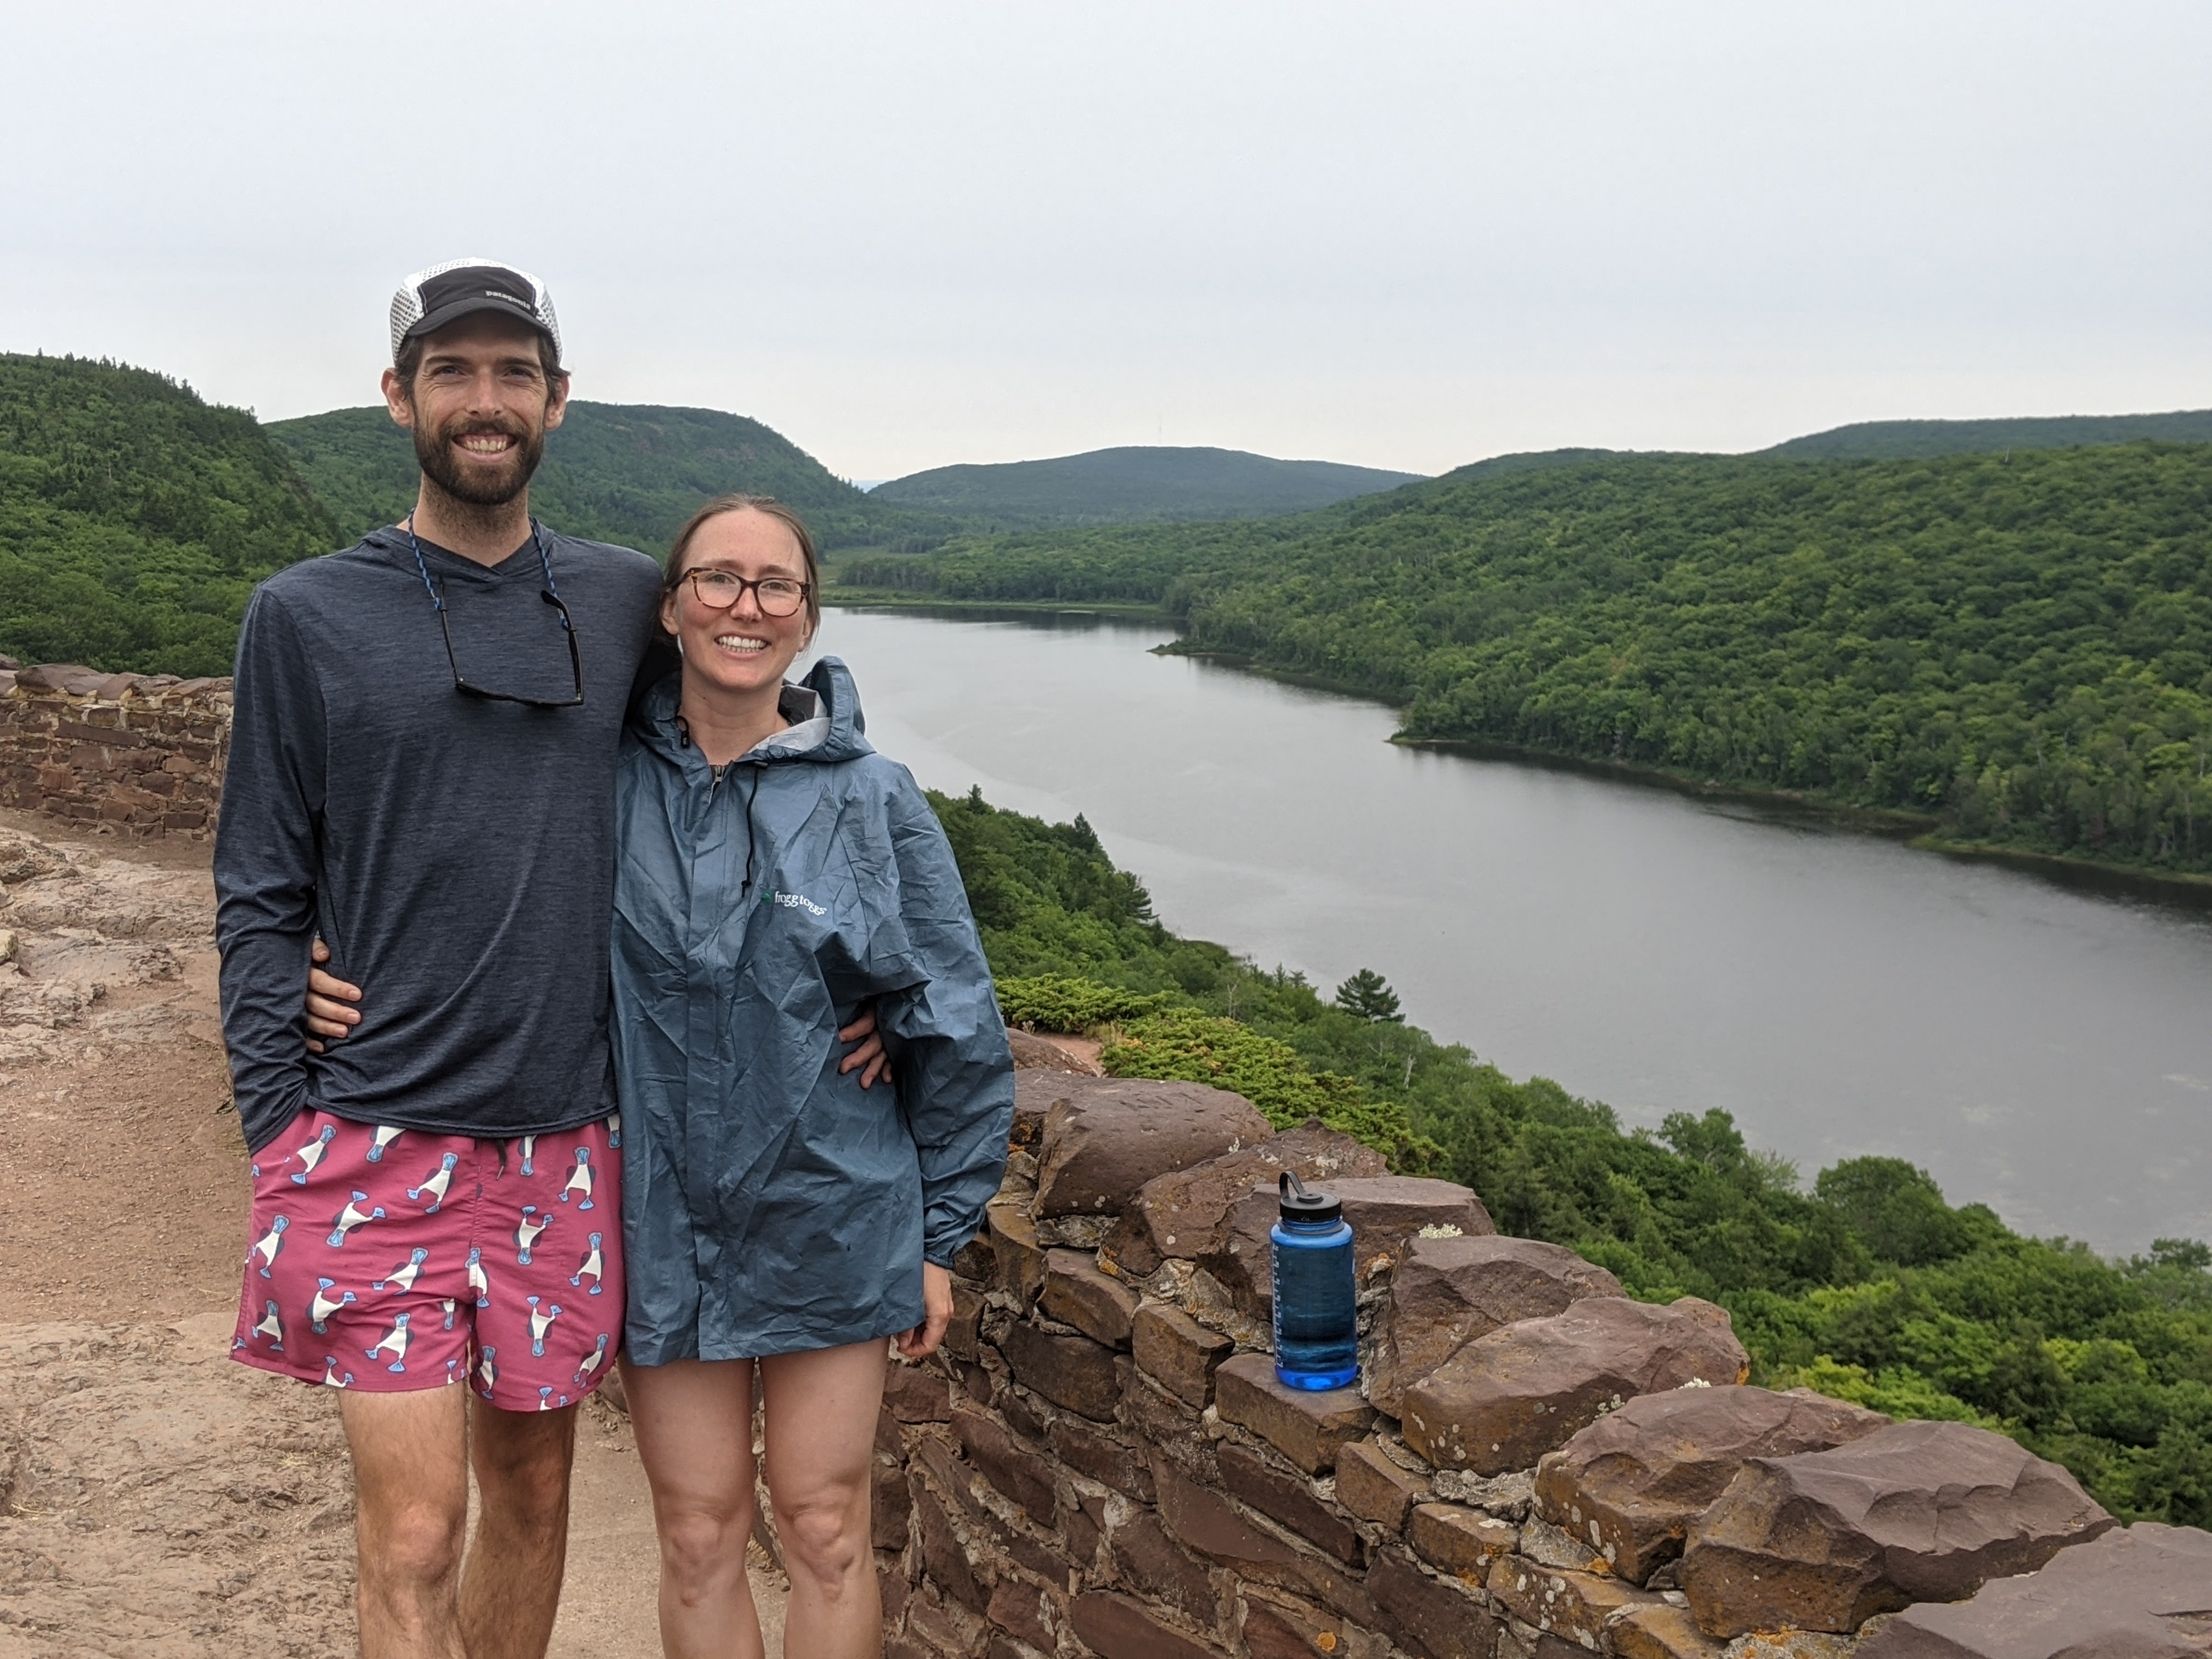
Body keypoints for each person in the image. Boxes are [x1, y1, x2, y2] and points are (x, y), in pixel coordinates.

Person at [218, 258, 889, 1659]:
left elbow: (749, 750)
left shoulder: (622, 596)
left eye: (513, 373)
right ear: (398, 395)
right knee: (416, 1531)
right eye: (452, 371)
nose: (486, 399)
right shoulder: (305, 615)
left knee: (532, 1498)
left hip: (565, 1144)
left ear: (558, 400)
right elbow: (259, 882)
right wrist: (280, 1120)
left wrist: (853, 982)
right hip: (372, 1133)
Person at [613, 494, 1013, 1659]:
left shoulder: (870, 795)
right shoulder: (604, 780)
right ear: (672, 606)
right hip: (660, 1209)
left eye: (775, 584)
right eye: (718, 578)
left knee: (826, 1526)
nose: (745, 605)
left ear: (806, 616)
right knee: (698, 1531)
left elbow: (952, 1017)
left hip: (832, 1205)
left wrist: (939, 1238)